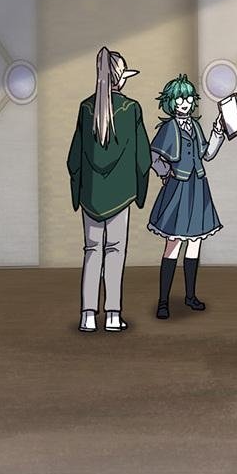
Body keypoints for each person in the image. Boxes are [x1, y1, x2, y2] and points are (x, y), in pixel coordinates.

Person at [66, 46, 151, 333]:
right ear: (120, 78)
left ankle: (87, 316)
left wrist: (78, 192)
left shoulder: (85, 108)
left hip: (90, 196)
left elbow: (73, 158)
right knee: (115, 252)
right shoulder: (132, 109)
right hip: (120, 195)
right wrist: (139, 191)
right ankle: (113, 315)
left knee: (92, 251)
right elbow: (143, 158)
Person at [147, 75, 228, 318]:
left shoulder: (195, 126)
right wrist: (165, 172)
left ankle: (190, 296)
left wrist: (217, 132)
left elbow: (206, 154)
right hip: (178, 190)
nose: (186, 103)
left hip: (198, 187)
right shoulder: (168, 128)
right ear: (171, 102)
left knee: (194, 244)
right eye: (181, 99)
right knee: (173, 245)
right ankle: (163, 301)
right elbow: (153, 156)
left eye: (189, 98)